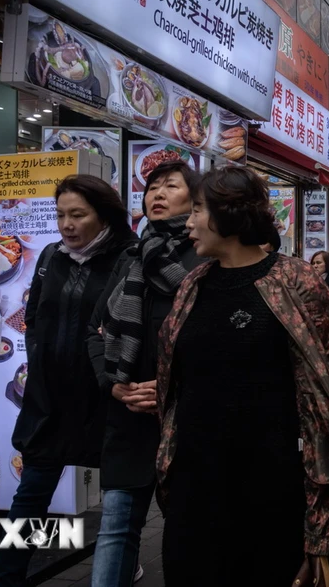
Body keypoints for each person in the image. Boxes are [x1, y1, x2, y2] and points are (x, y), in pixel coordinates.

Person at [155, 165, 329, 585]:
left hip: (271, 482)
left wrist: (323, 519)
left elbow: (321, 398)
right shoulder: (192, 284)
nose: (190, 221)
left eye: (198, 209)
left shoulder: (296, 281)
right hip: (195, 479)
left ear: (230, 216)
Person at [0, 177, 136, 587]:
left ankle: (120, 571)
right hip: (50, 400)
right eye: (61, 215)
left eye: (78, 214)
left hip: (104, 399)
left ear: (103, 215)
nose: (67, 224)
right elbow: (34, 315)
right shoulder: (51, 256)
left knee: (118, 504)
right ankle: (7, 579)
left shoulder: (128, 257)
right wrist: (39, 363)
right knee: (31, 497)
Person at [86, 161, 201, 587]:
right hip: (129, 414)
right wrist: (114, 386)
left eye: (171, 186)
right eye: (152, 186)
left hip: (186, 419)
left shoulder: (204, 257)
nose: (158, 193)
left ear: (194, 200)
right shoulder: (130, 258)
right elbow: (94, 332)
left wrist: (172, 387)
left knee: (187, 530)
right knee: (116, 525)